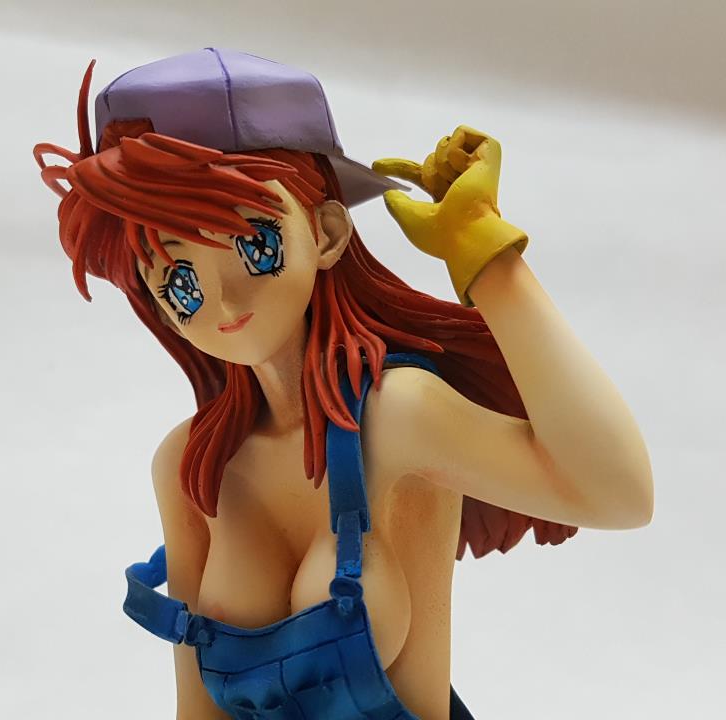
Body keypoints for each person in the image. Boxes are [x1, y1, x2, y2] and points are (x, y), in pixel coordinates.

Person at [34, 48, 653, 720]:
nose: (223, 300)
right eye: (179, 281)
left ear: (327, 232)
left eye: (255, 246)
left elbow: (618, 492)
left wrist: (485, 253)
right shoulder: (191, 463)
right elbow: (196, 710)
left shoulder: (396, 415)